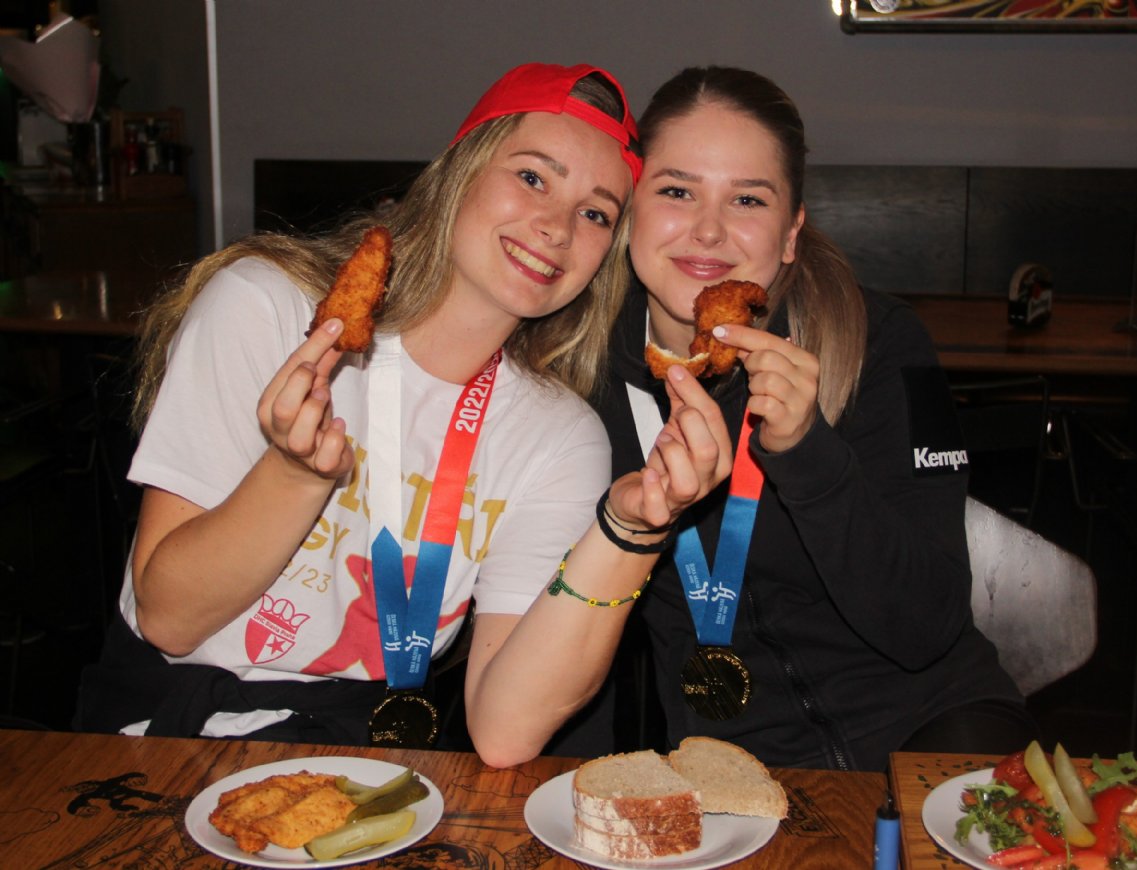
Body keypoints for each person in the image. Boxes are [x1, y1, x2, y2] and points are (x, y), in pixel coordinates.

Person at [75, 63, 732, 769]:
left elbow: (506, 732)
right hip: (160, 738)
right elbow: (168, 619)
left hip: (366, 767)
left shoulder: (560, 435)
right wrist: (295, 476)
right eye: (532, 177)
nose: (556, 227)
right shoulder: (268, 309)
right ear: (460, 172)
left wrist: (631, 530)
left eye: (596, 213)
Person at [592, 66, 1038, 772]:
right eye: (677, 191)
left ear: (791, 233)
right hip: (731, 761)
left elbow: (927, 627)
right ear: (630, 210)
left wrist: (806, 452)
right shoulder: (578, 375)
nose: (708, 229)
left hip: (932, 721)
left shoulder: (882, 340)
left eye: (748, 198)